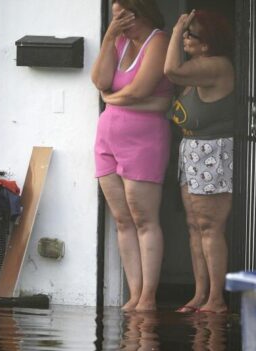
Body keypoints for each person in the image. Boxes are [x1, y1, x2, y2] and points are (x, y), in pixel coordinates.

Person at [90, 0, 173, 311]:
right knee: (122, 220)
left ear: (139, 11)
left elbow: (140, 89)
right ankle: (134, 293)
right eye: (114, 17)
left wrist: (111, 98)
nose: (119, 21)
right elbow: (99, 80)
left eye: (122, 15)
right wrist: (109, 37)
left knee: (144, 218)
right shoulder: (120, 41)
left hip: (144, 141)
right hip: (107, 139)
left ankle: (149, 296)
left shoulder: (159, 40)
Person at [164, 10, 235, 314]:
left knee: (210, 226)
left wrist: (175, 27)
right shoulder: (196, 69)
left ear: (206, 44)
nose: (184, 38)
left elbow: (170, 71)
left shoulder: (216, 66)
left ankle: (216, 299)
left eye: (190, 34)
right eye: (185, 32)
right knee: (194, 227)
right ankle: (200, 294)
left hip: (212, 152)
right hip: (191, 151)